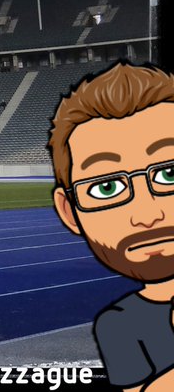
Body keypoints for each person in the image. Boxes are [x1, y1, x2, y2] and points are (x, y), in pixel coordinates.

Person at [48, 61, 174, 391]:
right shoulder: (119, 323)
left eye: (169, 174)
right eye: (107, 187)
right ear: (70, 212)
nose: (147, 215)